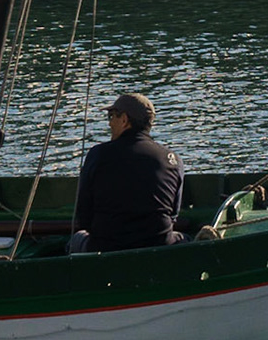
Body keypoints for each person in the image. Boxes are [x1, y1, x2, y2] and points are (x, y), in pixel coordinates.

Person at [71, 93, 185, 254]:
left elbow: (84, 215)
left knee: (76, 239)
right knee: (183, 239)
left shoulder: (98, 154)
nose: (109, 123)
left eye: (111, 116)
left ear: (124, 120)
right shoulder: (173, 160)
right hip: (159, 246)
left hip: (105, 248)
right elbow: (173, 214)